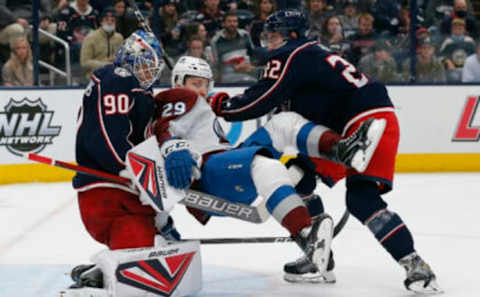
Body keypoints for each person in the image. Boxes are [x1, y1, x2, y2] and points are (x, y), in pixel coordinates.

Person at [206, 9, 442, 294]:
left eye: (274, 36)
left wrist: (220, 104)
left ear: (292, 36)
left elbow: (258, 101)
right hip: (364, 120)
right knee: (302, 179)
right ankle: (321, 257)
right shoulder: (310, 54)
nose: (269, 43)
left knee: (352, 196)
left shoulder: (291, 54)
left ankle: (413, 264)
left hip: (358, 123)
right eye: (267, 37)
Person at [65, 30, 193, 297]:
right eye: (143, 64)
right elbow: (106, 133)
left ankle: (99, 273)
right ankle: (100, 281)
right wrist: (130, 167)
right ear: (128, 59)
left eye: (152, 67)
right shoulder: (116, 79)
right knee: (145, 270)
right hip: (109, 191)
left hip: (125, 193)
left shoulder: (137, 91)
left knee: (159, 248)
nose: (148, 72)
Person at [80, 7, 124, 81]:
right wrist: (105, 65)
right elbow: (84, 62)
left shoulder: (119, 38)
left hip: (116, 76)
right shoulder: (91, 37)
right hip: (95, 76)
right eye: (106, 20)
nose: (109, 22)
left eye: (112, 20)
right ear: (101, 22)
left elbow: (122, 58)